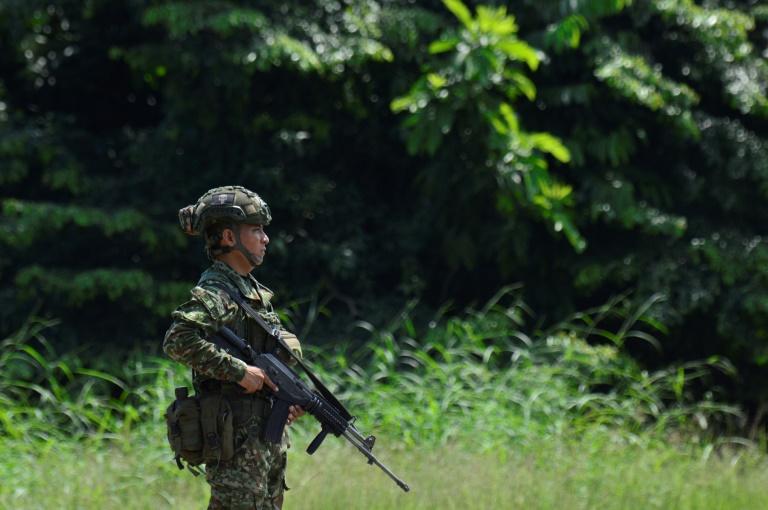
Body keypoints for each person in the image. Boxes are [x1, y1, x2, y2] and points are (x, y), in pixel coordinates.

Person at [164, 185, 304, 510]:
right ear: (229, 237)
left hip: (265, 441)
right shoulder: (218, 292)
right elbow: (178, 340)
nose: (265, 238)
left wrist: (286, 398)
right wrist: (239, 371)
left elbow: (267, 361)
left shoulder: (253, 292)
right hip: (236, 440)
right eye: (256, 230)